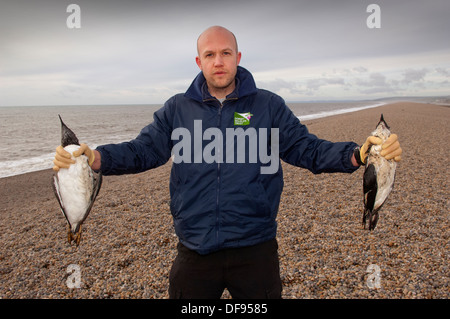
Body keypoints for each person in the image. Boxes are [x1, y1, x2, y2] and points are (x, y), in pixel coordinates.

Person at [53, 26, 402, 299]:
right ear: (198, 61)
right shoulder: (177, 109)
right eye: (209, 54)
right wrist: (95, 157)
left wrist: (357, 155)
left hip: (255, 248)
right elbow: (144, 150)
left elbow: (306, 149)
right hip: (194, 248)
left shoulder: (268, 106)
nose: (218, 61)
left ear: (238, 56)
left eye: (225, 53)